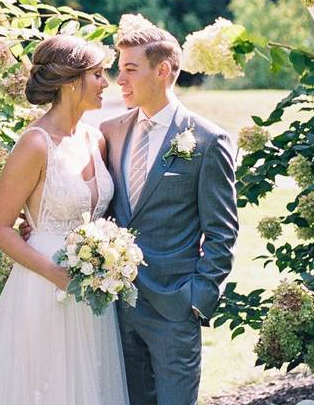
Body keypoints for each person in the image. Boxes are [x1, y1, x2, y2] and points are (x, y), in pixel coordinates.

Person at [0, 34, 129, 405]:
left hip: (91, 291)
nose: (106, 83)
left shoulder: (93, 138)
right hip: (44, 286)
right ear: (72, 83)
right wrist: (55, 274)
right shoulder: (35, 143)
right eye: (98, 74)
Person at [101, 23, 238, 405]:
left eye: (130, 69)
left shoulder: (208, 140)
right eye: (118, 68)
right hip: (115, 307)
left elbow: (222, 231)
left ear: (162, 71)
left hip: (174, 307)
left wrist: (198, 297)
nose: (119, 80)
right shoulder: (110, 132)